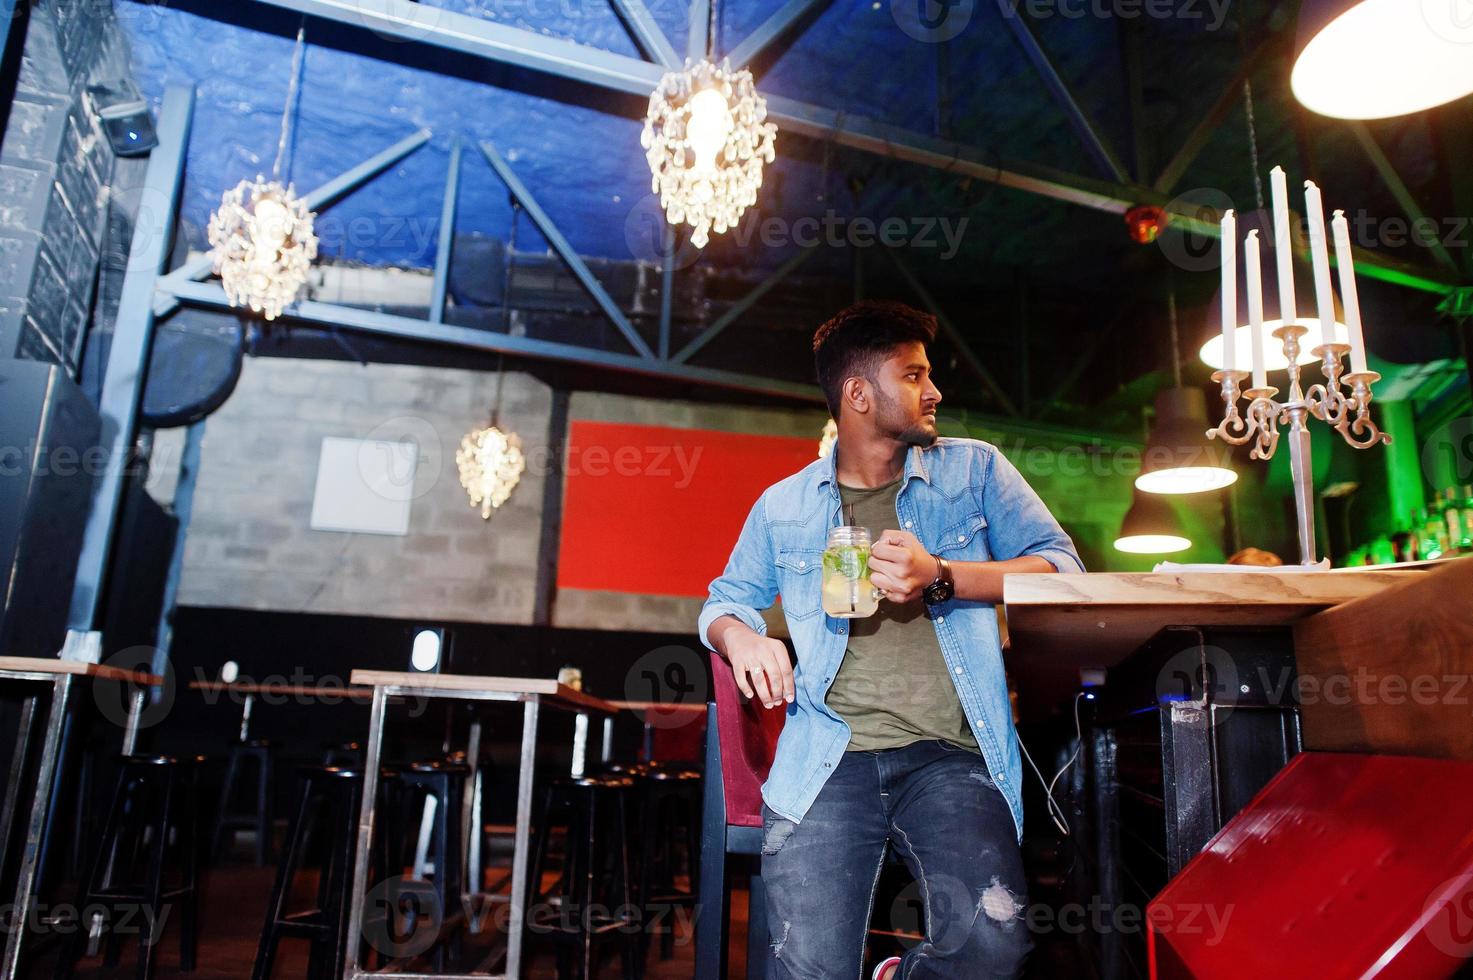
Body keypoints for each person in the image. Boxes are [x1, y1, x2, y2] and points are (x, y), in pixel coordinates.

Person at [698, 300, 1084, 980]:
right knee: (806, 971)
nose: (932, 391)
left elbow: (1061, 569)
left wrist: (942, 575)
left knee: (993, 947)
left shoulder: (974, 472)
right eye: (912, 375)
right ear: (857, 394)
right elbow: (723, 601)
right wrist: (740, 638)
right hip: (828, 756)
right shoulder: (783, 506)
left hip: (949, 757)